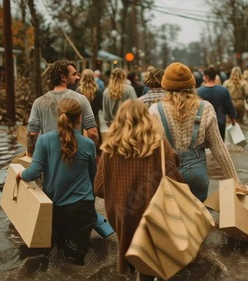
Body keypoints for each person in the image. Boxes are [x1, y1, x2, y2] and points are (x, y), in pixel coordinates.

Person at [94, 99, 183, 280]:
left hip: (122, 216)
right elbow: (175, 181)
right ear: (147, 119)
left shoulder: (109, 150)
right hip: (152, 215)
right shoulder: (160, 146)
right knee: (148, 266)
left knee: (133, 259)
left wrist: (119, 190)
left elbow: (99, 188)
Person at [149, 62, 248, 202]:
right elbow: (218, 148)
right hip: (197, 176)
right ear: (192, 85)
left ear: (165, 86)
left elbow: (151, 150)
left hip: (168, 173)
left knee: (172, 218)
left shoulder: (155, 110)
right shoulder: (205, 108)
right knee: (197, 218)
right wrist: (236, 182)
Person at [18, 98, 96, 266]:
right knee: (79, 259)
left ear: (58, 116)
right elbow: (92, 177)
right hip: (83, 208)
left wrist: (20, 174)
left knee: (59, 256)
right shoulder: (89, 144)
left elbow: (32, 173)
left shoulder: (44, 140)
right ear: (80, 118)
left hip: (56, 208)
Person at [27, 60, 99, 157]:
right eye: (74, 74)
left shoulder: (38, 102)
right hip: (76, 158)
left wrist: (31, 157)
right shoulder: (81, 99)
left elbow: (32, 134)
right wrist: (95, 156)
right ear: (63, 77)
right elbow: (92, 133)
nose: (77, 77)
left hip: (50, 161)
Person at [197, 67, 237, 141]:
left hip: (204, 124)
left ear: (206, 77)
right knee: (220, 147)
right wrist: (233, 119)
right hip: (220, 123)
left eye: (203, 76)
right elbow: (229, 106)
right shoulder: (224, 90)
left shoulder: (198, 92)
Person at [77, 69, 103, 142]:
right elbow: (102, 107)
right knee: (96, 143)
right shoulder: (99, 92)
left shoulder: (78, 91)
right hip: (95, 120)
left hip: (81, 122)